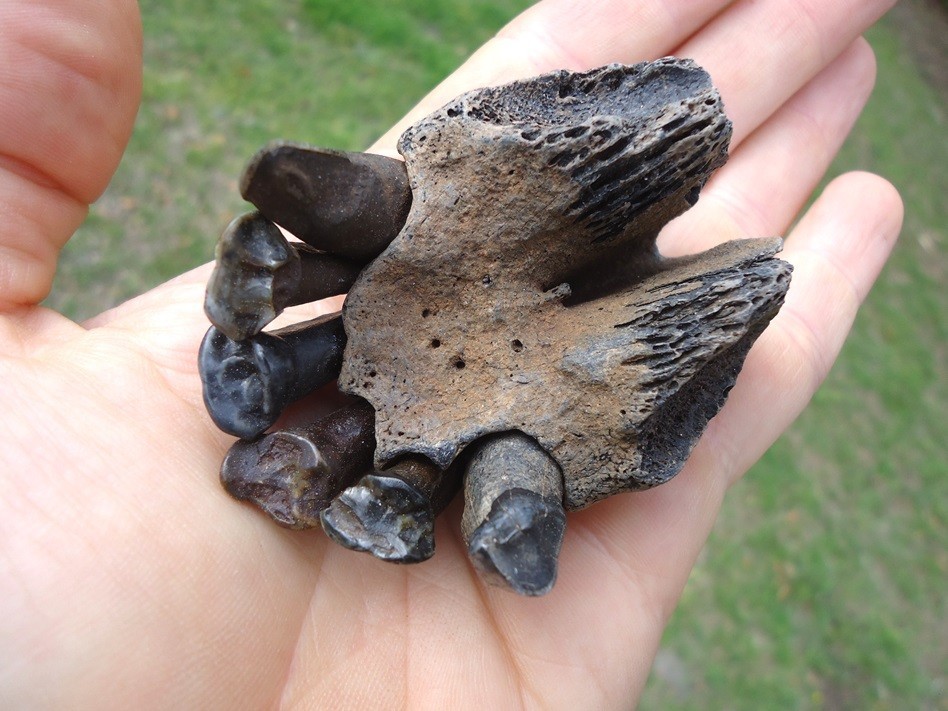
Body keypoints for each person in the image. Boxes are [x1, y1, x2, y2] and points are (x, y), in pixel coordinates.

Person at [0, 0, 902, 707]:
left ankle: (322, 419)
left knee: (722, 277)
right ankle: (315, 417)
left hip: (510, 373)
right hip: (402, 338)